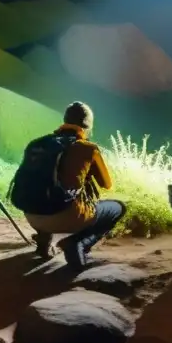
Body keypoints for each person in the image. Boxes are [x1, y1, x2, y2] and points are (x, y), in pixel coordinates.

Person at [21, 102, 125, 270]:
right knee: (118, 208)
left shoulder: (37, 143)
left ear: (65, 120)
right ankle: (78, 244)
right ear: (87, 126)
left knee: (44, 187)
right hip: (67, 218)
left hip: (31, 216)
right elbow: (107, 184)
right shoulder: (88, 148)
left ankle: (43, 243)